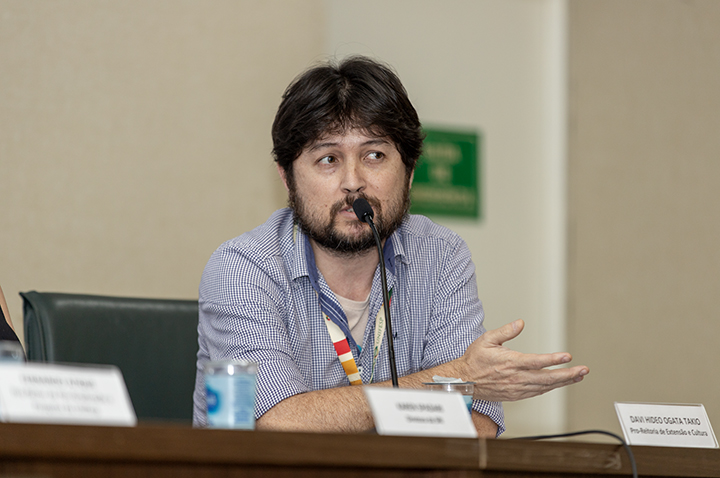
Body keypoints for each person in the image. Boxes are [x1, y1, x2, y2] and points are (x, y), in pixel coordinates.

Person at [193, 56, 588, 437]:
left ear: (410, 172)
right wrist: (458, 377)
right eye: (328, 159)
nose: (353, 182)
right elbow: (278, 422)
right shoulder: (243, 268)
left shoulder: (440, 256)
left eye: (375, 155)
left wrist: (463, 384)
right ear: (287, 178)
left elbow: (476, 425)